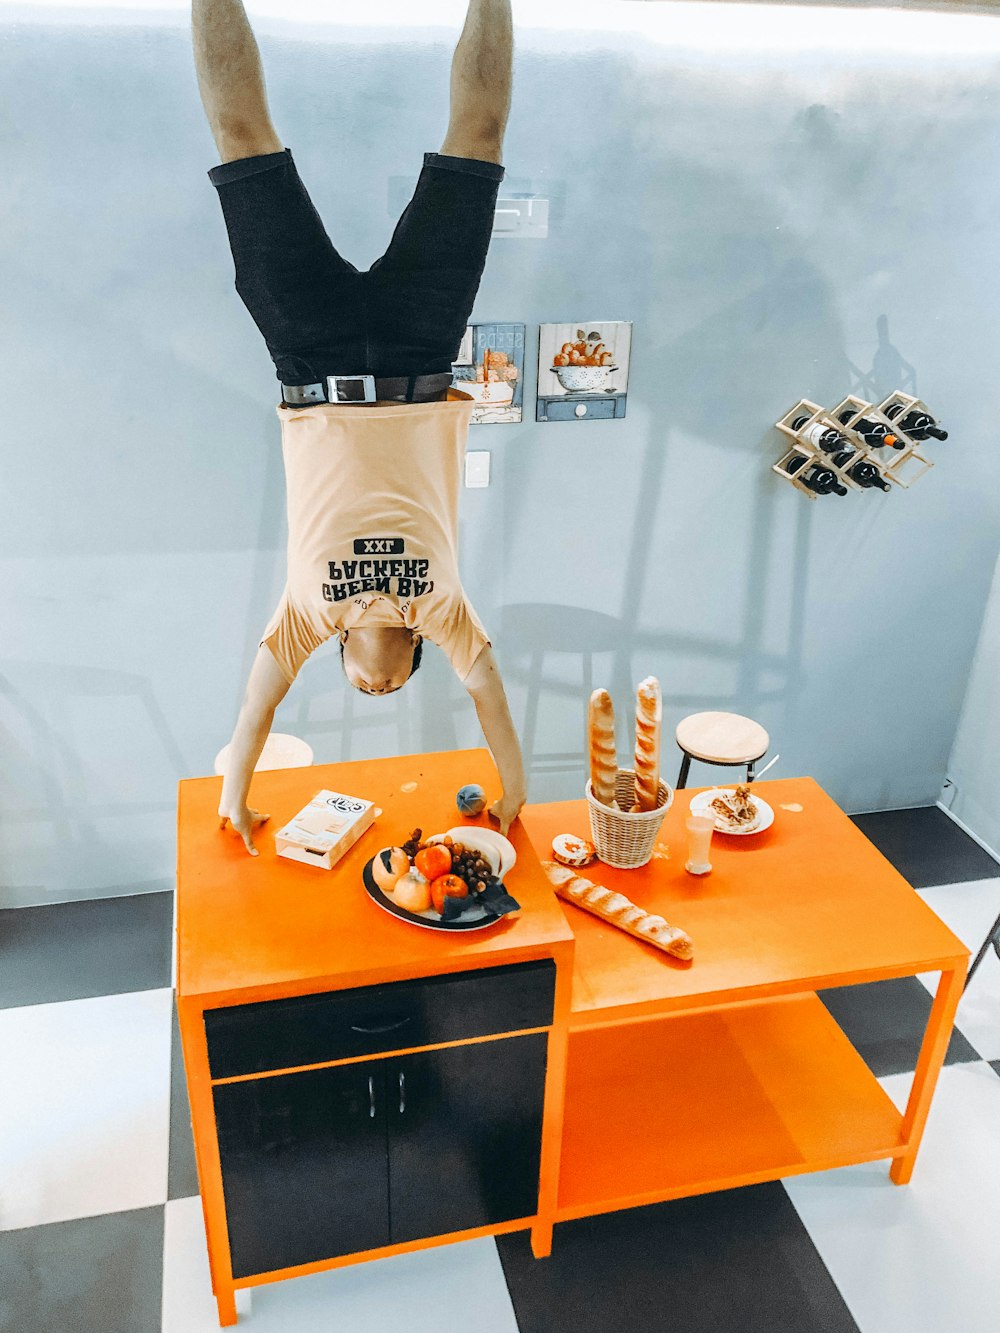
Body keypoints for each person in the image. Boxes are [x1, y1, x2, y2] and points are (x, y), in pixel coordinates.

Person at [191, 0, 525, 853]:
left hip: (307, 358)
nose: (376, 693)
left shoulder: (305, 616)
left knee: (239, 135)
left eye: (360, 693)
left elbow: (256, 707)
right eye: (391, 692)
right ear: (413, 649)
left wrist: (235, 797)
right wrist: (513, 798)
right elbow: (490, 700)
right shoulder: (444, 610)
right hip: (423, 348)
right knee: (480, 137)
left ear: (338, 653)